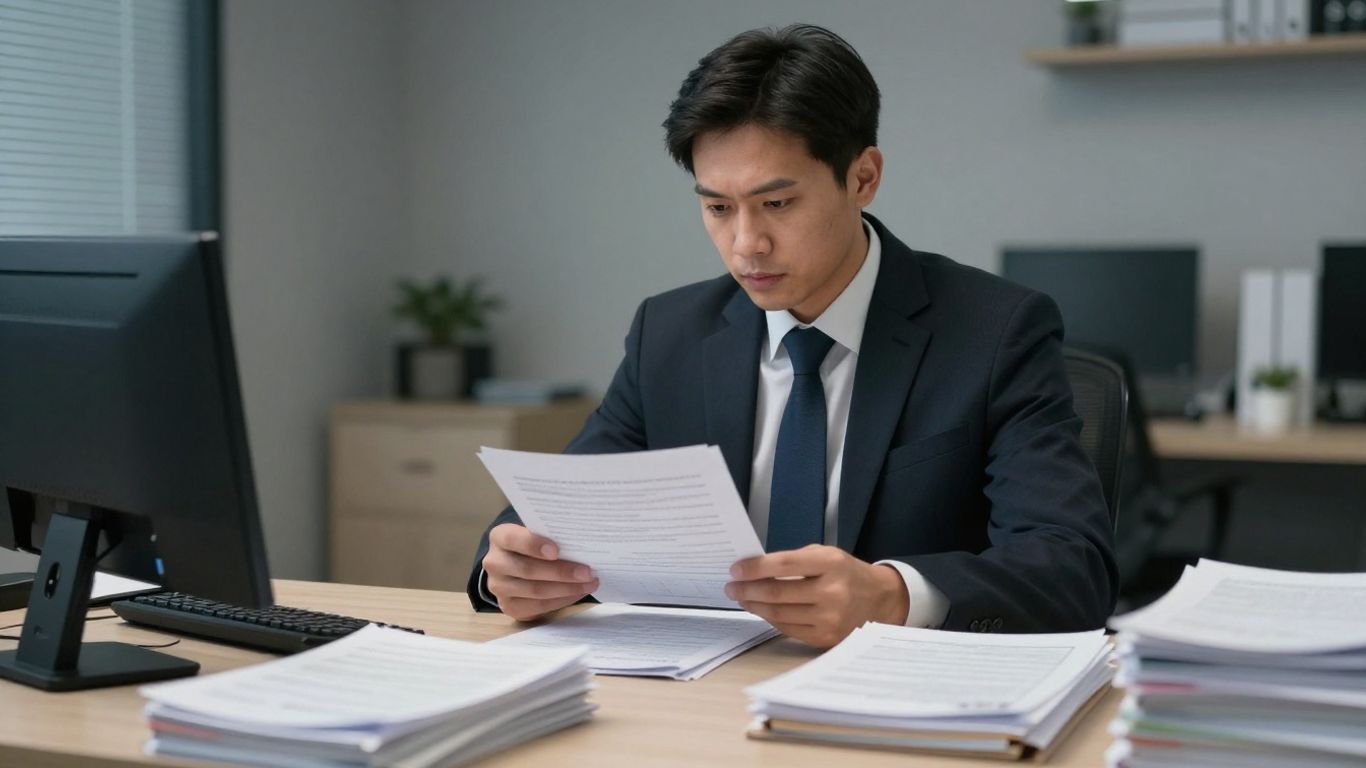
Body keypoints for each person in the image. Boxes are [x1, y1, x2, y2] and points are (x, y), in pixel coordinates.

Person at [467, 24, 1116, 648]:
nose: (746, 244)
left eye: (777, 204)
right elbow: (560, 509)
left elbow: (1070, 568)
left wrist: (893, 596)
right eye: (718, 207)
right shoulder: (668, 334)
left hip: (899, 703)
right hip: (698, 696)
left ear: (863, 177)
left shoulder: (995, 331)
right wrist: (514, 567)